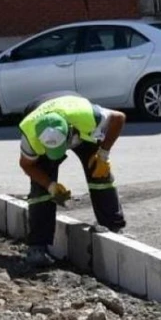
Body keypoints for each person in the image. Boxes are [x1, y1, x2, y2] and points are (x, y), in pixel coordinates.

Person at [19, 92, 126, 263]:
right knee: (41, 185)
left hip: (77, 121)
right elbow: (26, 164)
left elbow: (119, 118)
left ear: (69, 131)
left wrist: (103, 154)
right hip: (41, 114)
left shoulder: (86, 116)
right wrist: (50, 185)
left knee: (99, 171)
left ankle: (113, 227)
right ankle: (37, 247)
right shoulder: (31, 134)